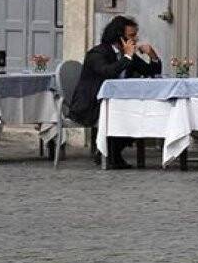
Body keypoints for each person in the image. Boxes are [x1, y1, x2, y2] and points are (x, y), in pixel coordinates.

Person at [69, 15, 162, 169]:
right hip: (93, 103)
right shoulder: (97, 53)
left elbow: (151, 71)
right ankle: (110, 153)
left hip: (120, 103)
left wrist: (152, 55)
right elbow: (108, 72)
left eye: (135, 35)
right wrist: (126, 57)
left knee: (141, 115)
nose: (135, 39)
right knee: (126, 115)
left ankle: (112, 152)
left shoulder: (128, 55)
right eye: (131, 36)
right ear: (119, 37)